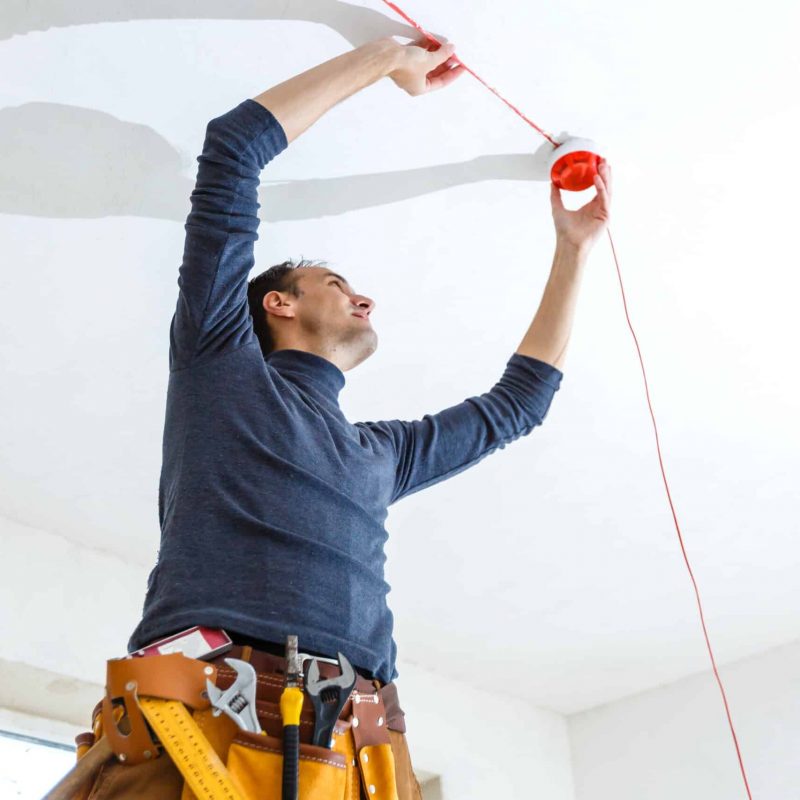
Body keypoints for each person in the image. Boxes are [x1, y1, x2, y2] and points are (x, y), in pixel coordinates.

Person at [76, 34, 612, 800]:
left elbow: (517, 404)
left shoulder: (379, 454)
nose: (362, 297)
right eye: (335, 281)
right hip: (202, 720)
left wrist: (573, 249)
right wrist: (386, 58)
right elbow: (232, 150)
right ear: (277, 303)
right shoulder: (219, 364)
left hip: (358, 748)